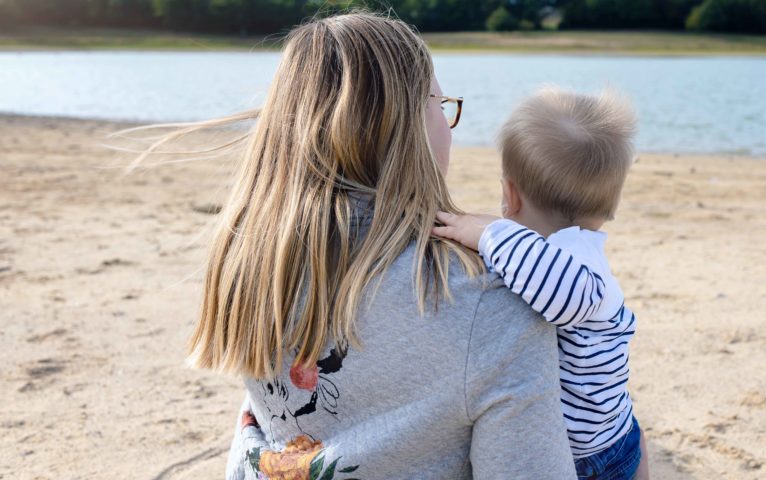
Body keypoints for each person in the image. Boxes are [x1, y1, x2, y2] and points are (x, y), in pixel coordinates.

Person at [122, 11, 578, 480]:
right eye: (440, 106)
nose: (448, 125)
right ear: (407, 129)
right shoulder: (488, 304)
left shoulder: (250, 262)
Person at [431, 87, 650, 480]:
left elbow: (561, 293)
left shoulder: (575, 261)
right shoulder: (565, 252)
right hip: (612, 434)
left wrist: (491, 234)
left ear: (509, 195)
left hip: (594, 457)